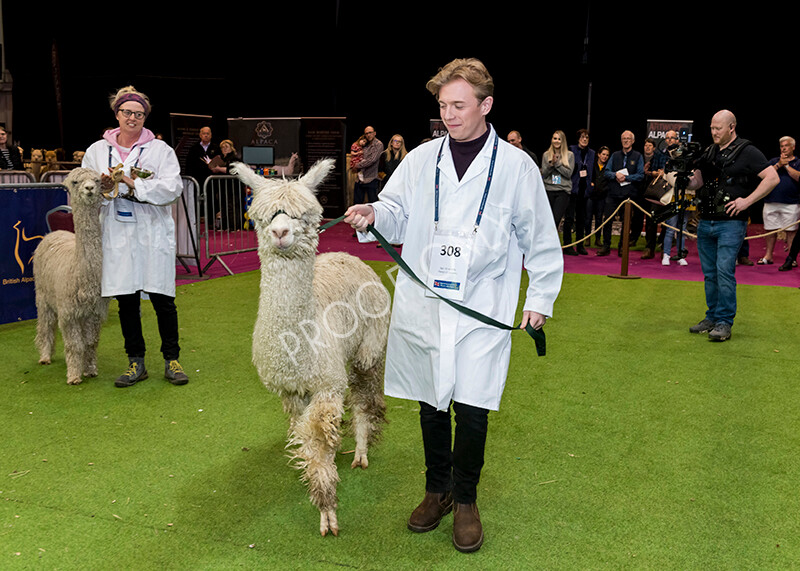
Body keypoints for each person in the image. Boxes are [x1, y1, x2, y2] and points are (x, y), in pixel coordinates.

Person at [344, 57, 563, 553]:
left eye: (459, 105)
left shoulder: (515, 166)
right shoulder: (422, 158)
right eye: (443, 105)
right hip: (426, 299)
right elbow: (396, 212)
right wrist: (372, 212)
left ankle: (466, 500)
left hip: (483, 301)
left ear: (486, 105)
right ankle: (436, 490)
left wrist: (540, 298)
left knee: (474, 403)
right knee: (430, 400)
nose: (449, 114)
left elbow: (540, 240)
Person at [82, 85, 190, 386]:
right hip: (117, 233)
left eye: (139, 114)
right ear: (117, 114)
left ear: (145, 117)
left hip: (151, 231)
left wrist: (133, 184)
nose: (133, 118)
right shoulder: (96, 151)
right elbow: (84, 187)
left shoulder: (160, 150)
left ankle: (172, 359)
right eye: (128, 112)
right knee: (126, 299)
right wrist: (104, 190)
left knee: (162, 298)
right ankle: (136, 362)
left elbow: (172, 188)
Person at [685, 110, 778, 341]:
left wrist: (747, 201)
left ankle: (724, 322)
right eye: (712, 128)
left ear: (732, 127)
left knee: (724, 271)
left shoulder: (748, 151)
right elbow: (697, 183)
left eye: (718, 128)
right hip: (706, 221)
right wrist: (678, 176)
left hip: (732, 224)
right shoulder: (708, 152)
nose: (714, 132)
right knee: (710, 273)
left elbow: (772, 178)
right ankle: (712, 317)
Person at [597, 130, 644, 256]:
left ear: (633, 141)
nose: (626, 140)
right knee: (607, 220)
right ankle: (606, 246)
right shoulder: (615, 155)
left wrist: (626, 178)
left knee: (626, 222)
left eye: (628, 138)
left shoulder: (638, 156)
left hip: (628, 195)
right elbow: (607, 172)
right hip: (612, 193)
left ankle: (622, 247)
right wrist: (615, 175)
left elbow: (640, 175)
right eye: (624, 138)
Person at [758, 136, 800, 265]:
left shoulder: (798, 162)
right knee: (770, 230)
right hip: (771, 201)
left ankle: (791, 258)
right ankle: (768, 256)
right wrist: (778, 165)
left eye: (786, 146)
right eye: (782, 146)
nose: (784, 148)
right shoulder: (774, 161)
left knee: (791, 231)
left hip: (791, 202)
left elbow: (798, 177)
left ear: (793, 147)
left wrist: (786, 166)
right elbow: (763, 175)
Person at [541, 130, 576, 254]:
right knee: (547, 220)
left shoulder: (570, 155)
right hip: (549, 189)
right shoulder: (546, 155)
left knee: (556, 219)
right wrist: (551, 164)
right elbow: (544, 174)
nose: (556, 141)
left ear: (563, 141)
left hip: (562, 191)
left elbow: (568, 173)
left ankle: (552, 247)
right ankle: (547, 247)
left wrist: (557, 164)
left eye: (559, 139)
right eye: (554, 138)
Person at [660, 131, 688, 266]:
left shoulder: (687, 164)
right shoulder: (669, 164)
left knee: (682, 228)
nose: (675, 153)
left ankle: (680, 254)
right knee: (671, 228)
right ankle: (666, 254)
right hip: (672, 198)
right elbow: (672, 180)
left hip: (686, 198)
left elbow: (691, 181)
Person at [566, 129, 595, 255]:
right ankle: (567, 245)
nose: (584, 139)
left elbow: (593, 170)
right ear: (578, 138)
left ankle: (580, 245)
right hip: (572, 189)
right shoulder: (571, 150)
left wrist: (592, 185)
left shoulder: (592, 153)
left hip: (585, 190)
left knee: (581, 219)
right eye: (582, 137)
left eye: (587, 137)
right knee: (569, 218)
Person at [639, 137, 667, 259]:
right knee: (651, 219)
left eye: (673, 138)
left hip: (669, 191)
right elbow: (652, 172)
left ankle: (664, 248)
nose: (670, 140)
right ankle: (649, 248)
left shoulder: (676, 155)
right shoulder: (653, 156)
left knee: (668, 220)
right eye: (668, 138)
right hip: (654, 191)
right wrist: (651, 173)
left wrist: (663, 172)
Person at [352, 126, 384, 204]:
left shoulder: (378, 144)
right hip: (360, 179)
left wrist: (357, 165)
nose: (368, 135)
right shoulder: (365, 143)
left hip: (371, 178)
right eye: (366, 133)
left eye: (370, 132)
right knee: (357, 203)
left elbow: (372, 160)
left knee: (372, 204)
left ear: (374, 133)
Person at [587, 145, 610, 247]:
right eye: (603, 154)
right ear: (598, 155)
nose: (605, 157)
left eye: (607, 155)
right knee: (588, 218)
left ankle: (597, 239)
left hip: (602, 197)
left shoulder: (608, 168)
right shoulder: (592, 165)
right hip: (591, 196)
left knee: (599, 219)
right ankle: (587, 238)